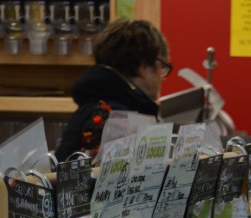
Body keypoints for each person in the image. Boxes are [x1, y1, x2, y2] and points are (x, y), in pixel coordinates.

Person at [54, 18, 171, 161]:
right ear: (143, 67)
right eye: (163, 66)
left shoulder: (97, 106)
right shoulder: (121, 118)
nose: (162, 76)